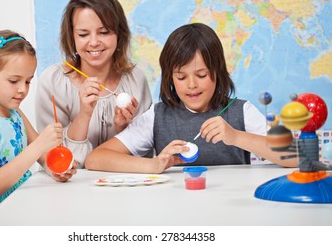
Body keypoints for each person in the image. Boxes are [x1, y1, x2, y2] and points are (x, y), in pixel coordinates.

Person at [85, 23, 298, 173]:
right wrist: (154, 165)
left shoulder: (241, 111)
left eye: (202, 75)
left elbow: (297, 156)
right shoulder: (158, 116)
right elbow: (95, 159)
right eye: (180, 76)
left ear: (218, 72)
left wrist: (236, 137)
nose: (191, 85)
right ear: (170, 77)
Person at [0, 30, 76, 226]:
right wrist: (38, 146)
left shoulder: (15, 113)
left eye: (28, 81)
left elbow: (44, 157)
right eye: (14, 81)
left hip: (21, 204)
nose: (23, 89)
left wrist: (57, 170)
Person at [35, 0, 152, 168]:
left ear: (119, 34)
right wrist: (84, 114)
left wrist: (123, 129)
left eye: (104, 32)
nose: (94, 42)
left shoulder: (136, 80)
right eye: (83, 34)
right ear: (71, 36)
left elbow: (144, 156)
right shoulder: (52, 82)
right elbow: (56, 162)